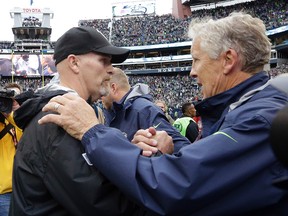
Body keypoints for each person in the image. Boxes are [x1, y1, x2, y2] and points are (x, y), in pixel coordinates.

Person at [39, 12, 288, 215]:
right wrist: (173, 152)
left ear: (228, 60)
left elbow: (177, 185)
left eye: (196, 60)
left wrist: (92, 132)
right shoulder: (248, 109)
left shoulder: (259, 119)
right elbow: (212, 170)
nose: (191, 72)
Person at [9, 26, 152, 216]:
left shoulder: (68, 113)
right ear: (74, 63)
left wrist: (126, 154)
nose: (111, 70)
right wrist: (152, 164)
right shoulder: (57, 121)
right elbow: (108, 206)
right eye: (104, 61)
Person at [99, 67, 190, 154]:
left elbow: (182, 147)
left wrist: (147, 156)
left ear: (113, 88)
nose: (100, 96)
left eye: (102, 90)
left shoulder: (144, 110)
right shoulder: (112, 112)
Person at [0, 83, 23, 216]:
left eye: (16, 98)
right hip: (3, 192)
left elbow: (26, 131)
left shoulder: (21, 121)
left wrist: (12, 112)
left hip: (21, 188)